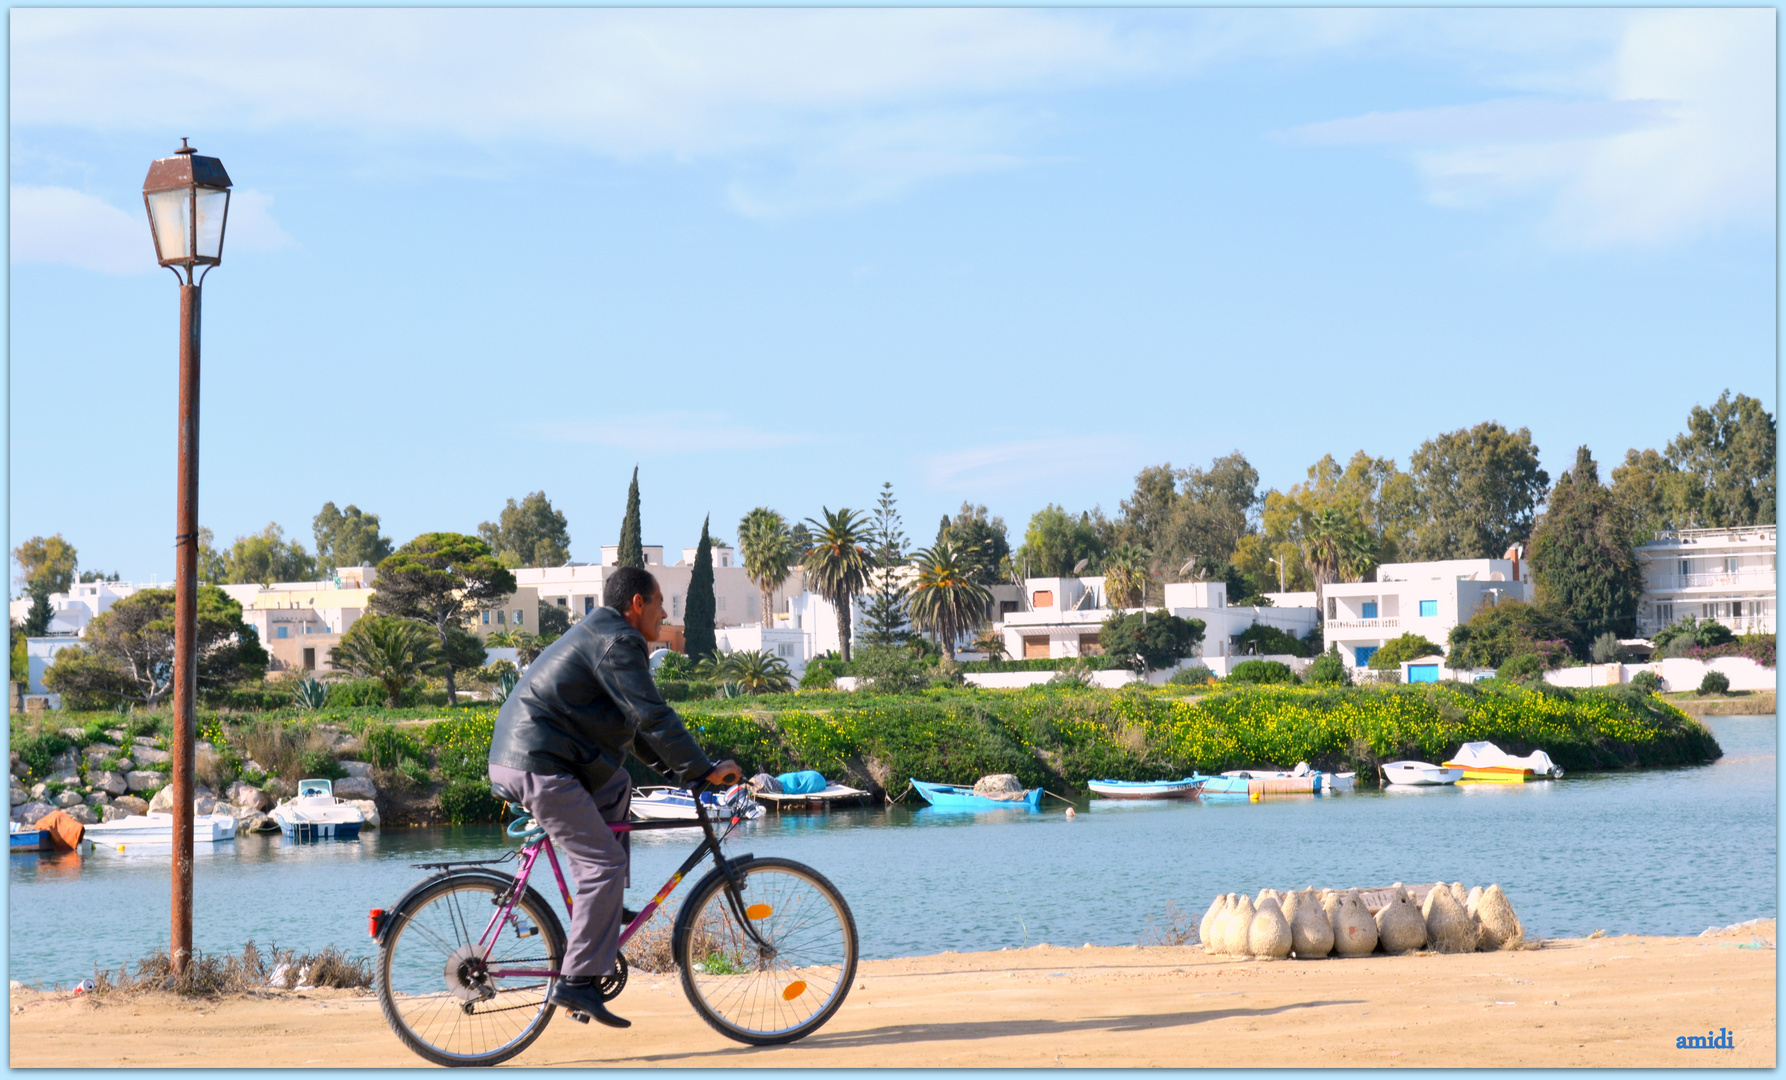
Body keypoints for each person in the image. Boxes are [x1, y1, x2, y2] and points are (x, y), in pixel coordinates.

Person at [488, 566, 740, 1027]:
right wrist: (704, 769)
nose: (665, 613)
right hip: (538, 764)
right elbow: (653, 717)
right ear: (637, 605)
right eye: (660, 603)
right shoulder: (620, 642)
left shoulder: (602, 632)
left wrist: (686, 775)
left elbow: (635, 727)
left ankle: (602, 908)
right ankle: (577, 982)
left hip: (534, 756)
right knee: (601, 864)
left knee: (617, 784)